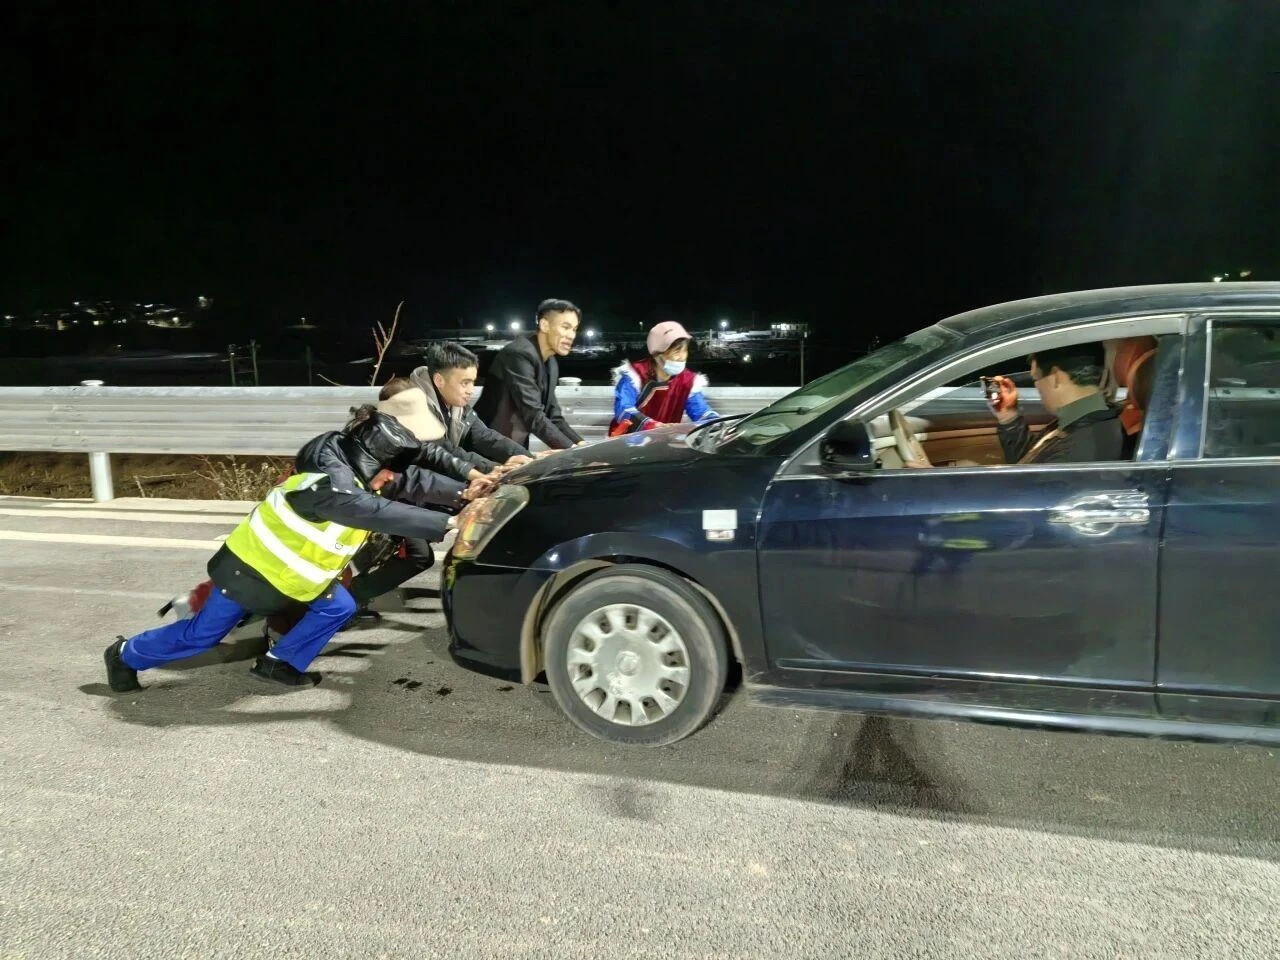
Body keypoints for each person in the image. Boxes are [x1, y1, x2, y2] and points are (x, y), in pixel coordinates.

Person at [103, 398, 467, 692]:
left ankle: (279, 663)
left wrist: (466, 491)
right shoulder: (330, 488)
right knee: (200, 637)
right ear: (370, 461)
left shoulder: (354, 469)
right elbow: (374, 511)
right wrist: (449, 522)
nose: (391, 478)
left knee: (340, 606)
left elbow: (410, 481)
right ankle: (124, 654)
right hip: (251, 571)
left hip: (294, 577)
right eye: (389, 470)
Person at [907, 342, 1124, 468]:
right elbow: (1029, 464)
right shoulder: (1081, 423)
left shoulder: (1081, 447)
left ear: (1056, 378)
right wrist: (1008, 417)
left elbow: (1022, 497)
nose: (1037, 388)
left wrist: (940, 485)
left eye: (1036, 379)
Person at [471, 298, 587, 450]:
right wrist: (571, 449)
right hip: (485, 447)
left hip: (514, 448)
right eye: (565, 327)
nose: (572, 335)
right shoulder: (518, 354)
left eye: (574, 329)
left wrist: (581, 445)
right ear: (544, 325)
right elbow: (533, 414)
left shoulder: (551, 363)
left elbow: (553, 416)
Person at [409, 342, 534, 474]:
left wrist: (529, 458)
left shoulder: (454, 401)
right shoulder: (414, 407)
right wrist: (495, 468)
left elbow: (485, 436)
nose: (471, 390)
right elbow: (445, 452)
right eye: (465, 383)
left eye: (472, 382)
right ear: (439, 381)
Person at [609, 321, 720, 436]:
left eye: (685, 350)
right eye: (677, 350)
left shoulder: (687, 381)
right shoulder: (635, 375)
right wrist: (651, 425)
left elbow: (700, 410)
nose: (682, 357)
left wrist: (715, 423)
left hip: (663, 440)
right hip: (627, 440)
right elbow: (624, 409)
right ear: (657, 354)